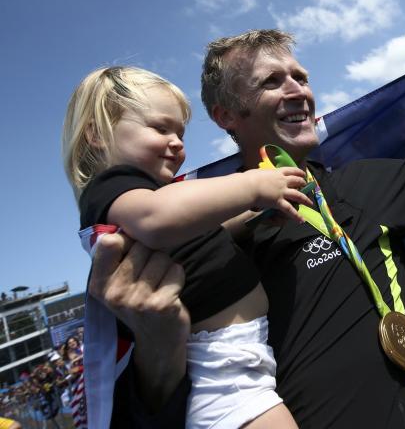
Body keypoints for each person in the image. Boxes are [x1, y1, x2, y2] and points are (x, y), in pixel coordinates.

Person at [90, 0, 405, 428]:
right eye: (272, 82)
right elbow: (168, 403)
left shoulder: (367, 185)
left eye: (301, 77)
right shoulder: (202, 230)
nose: (298, 91)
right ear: (226, 116)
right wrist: (159, 349)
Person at [62, 67, 312, 428]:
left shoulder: (153, 196)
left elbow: (205, 226)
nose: (178, 142)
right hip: (220, 370)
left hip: (235, 358)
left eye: (179, 132)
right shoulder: (111, 187)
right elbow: (158, 218)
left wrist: (254, 214)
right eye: (160, 128)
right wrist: (254, 186)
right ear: (97, 136)